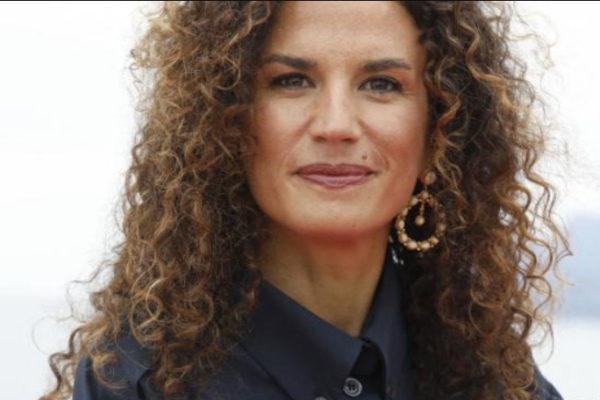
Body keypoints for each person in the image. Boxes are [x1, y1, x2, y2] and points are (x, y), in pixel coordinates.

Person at [39, 2, 570, 400]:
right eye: (291, 81)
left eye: (381, 84)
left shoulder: (498, 382)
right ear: (226, 124)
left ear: (440, 134)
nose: (336, 125)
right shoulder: (136, 381)